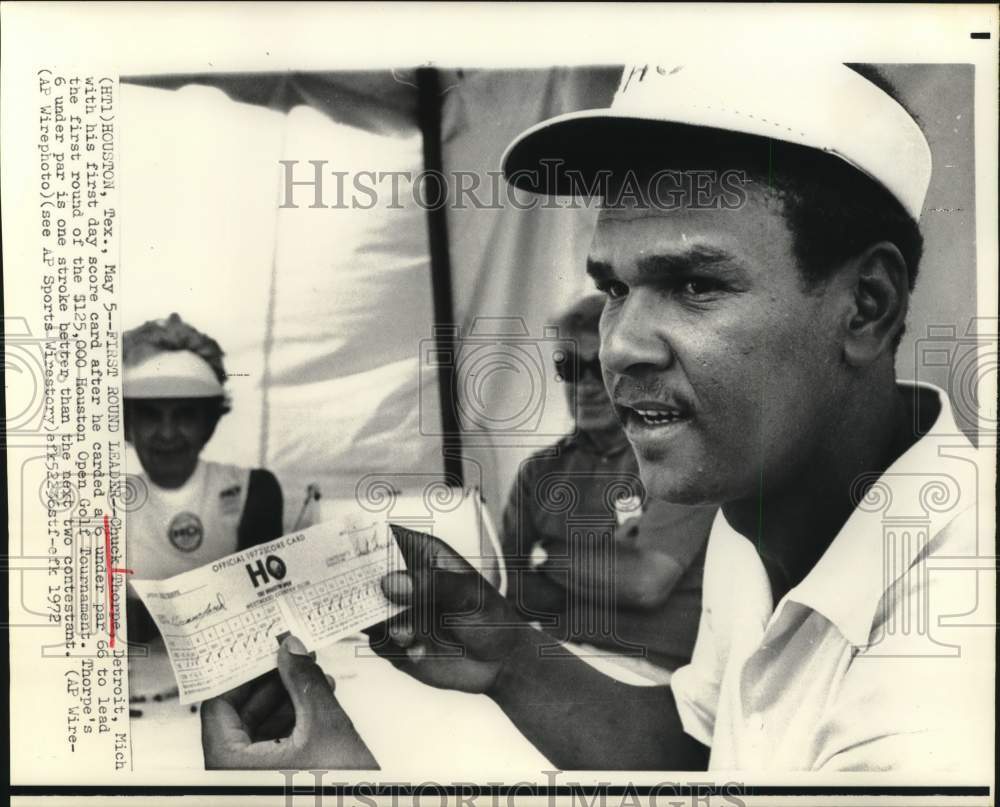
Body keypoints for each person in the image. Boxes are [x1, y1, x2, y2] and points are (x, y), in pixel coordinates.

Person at [200, 64, 990, 772]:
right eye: (614, 288)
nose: (620, 348)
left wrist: (339, 786)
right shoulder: (761, 505)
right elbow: (703, 748)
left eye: (693, 283)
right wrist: (508, 655)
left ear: (868, 306)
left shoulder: (944, 673)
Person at [502, 294, 715, 673]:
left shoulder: (679, 456)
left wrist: (550, 557)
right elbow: (504, 584)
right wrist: (601, 570)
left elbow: (645, 582)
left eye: (598, 367)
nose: (584, 385)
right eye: (569, 368)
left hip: (653, 673)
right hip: (561, 656)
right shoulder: (540, 472)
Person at [123, 314, 284, 691]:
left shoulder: (252, 490)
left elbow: (257, 609)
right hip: (133, 695)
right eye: (149, 415)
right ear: (127, 422)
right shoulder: (100, 502)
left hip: (230, 685)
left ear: (209, 420)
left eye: (184, 415)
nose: (166, 433)